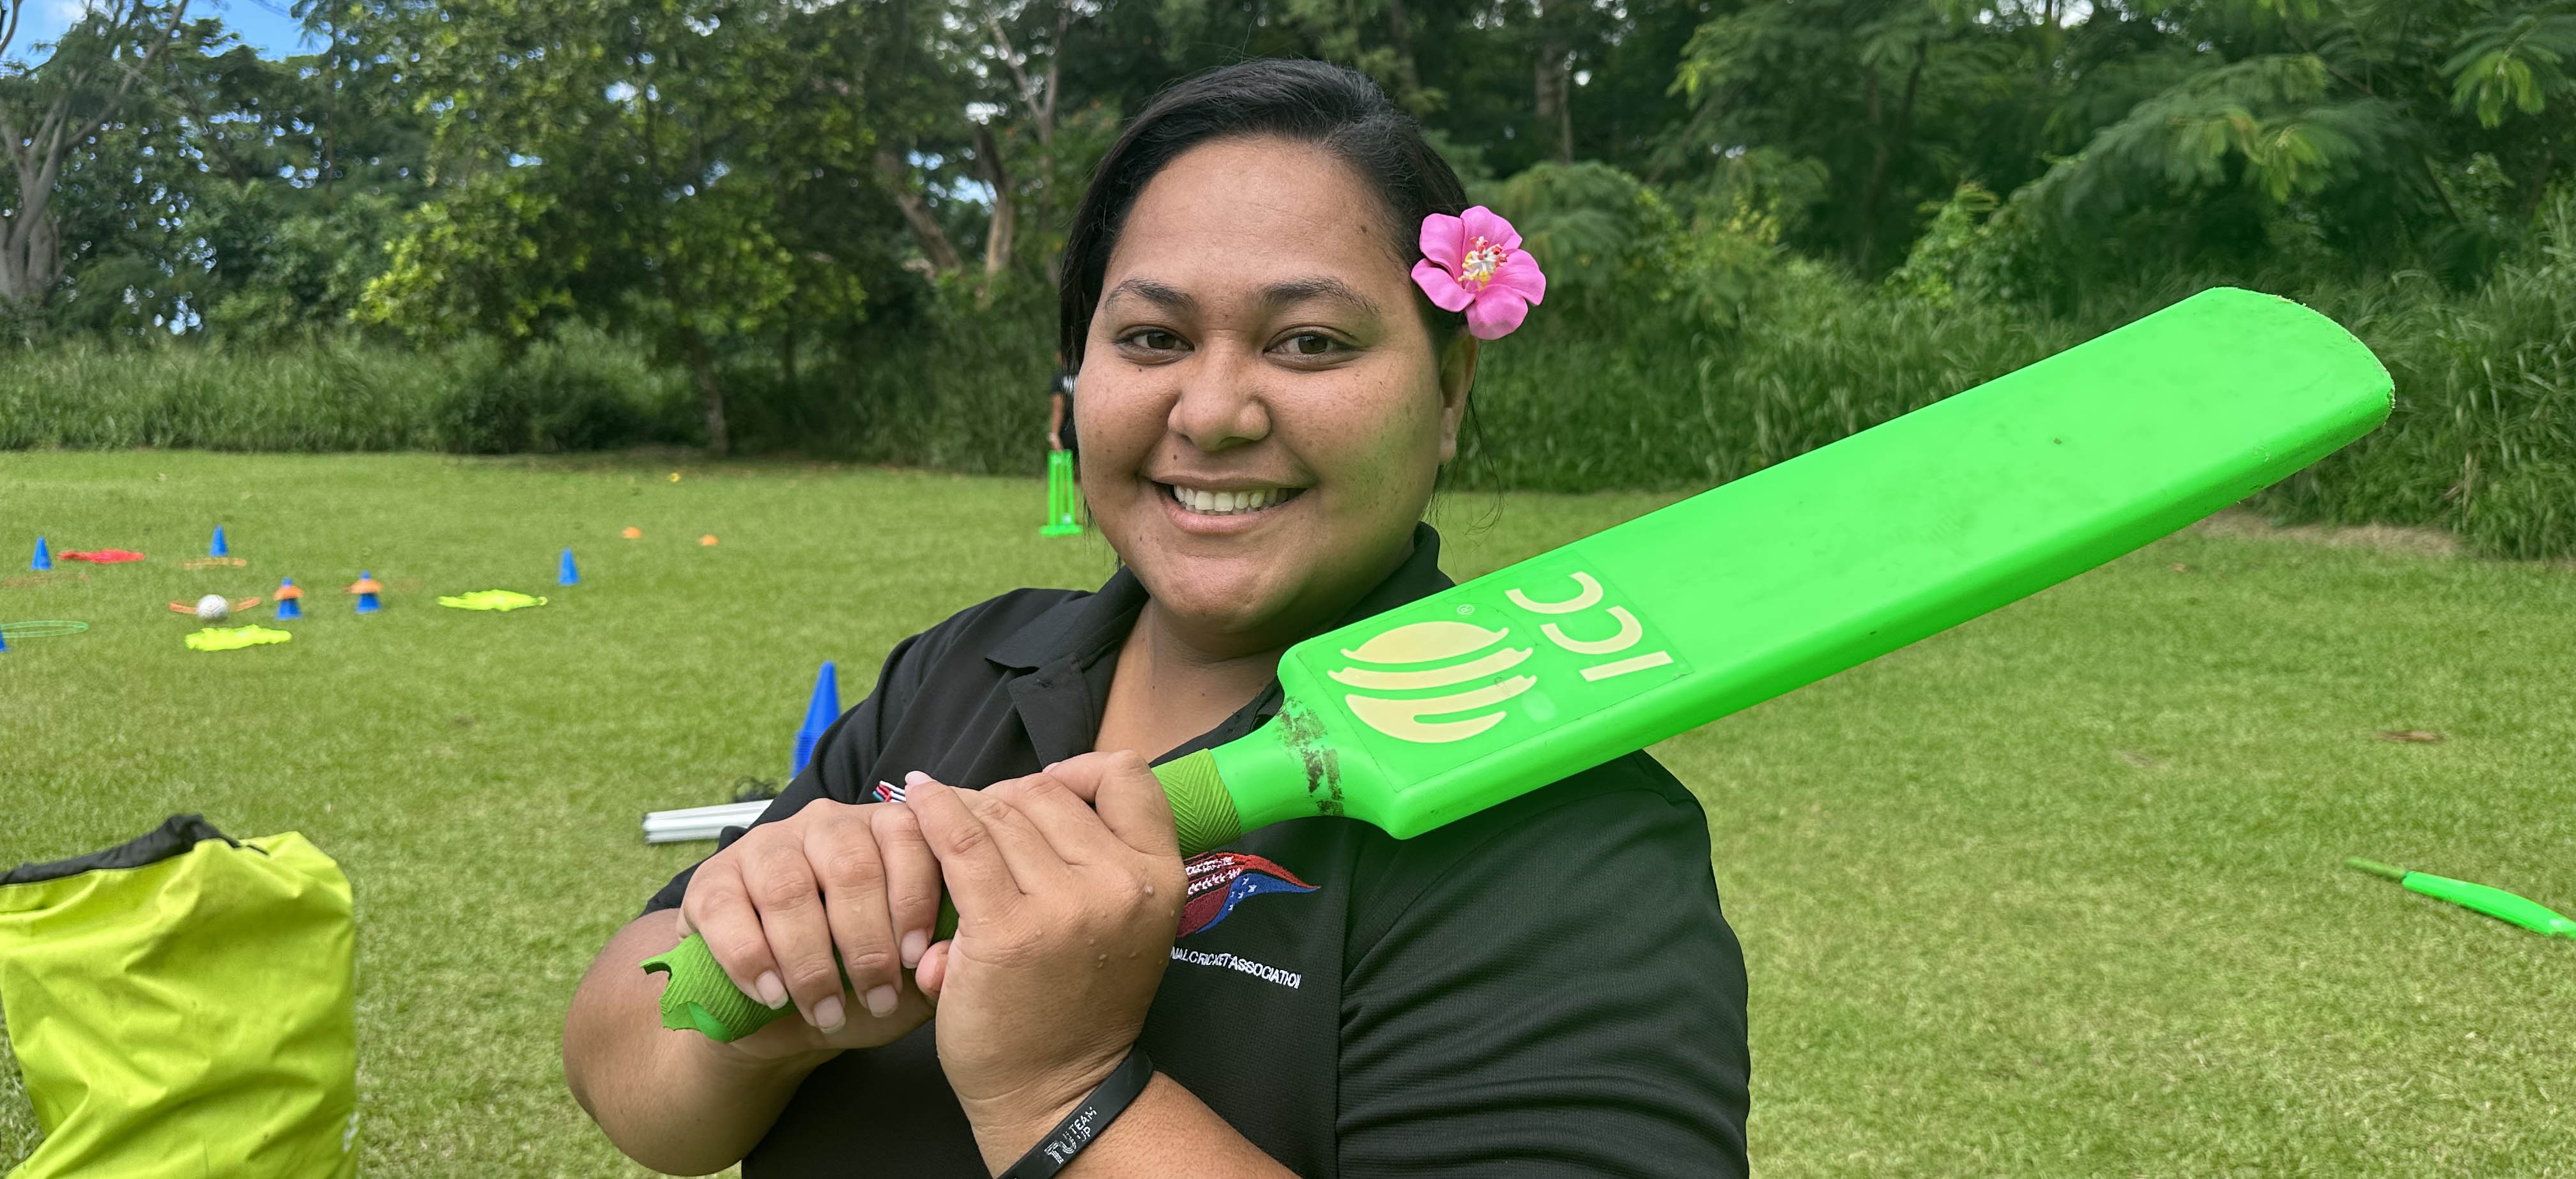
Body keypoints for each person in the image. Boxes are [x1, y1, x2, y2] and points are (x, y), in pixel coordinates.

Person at [562, 58, 1750, 1178]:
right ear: (1080, 382)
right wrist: (766, 1010)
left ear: (1447, 390)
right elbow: (626, 1058)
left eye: (1309, 343)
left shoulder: (1566, 834)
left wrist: (1065, 1092)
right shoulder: (968, 667)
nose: (1216, 409)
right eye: (1151, 338)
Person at [1047, 365, 1077, 455]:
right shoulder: (1089, 373)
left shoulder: (1059, 377)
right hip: (1086, 431)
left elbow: (1058, 409)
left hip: (1067, 432)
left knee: (1068, 467)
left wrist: (1054, 435)